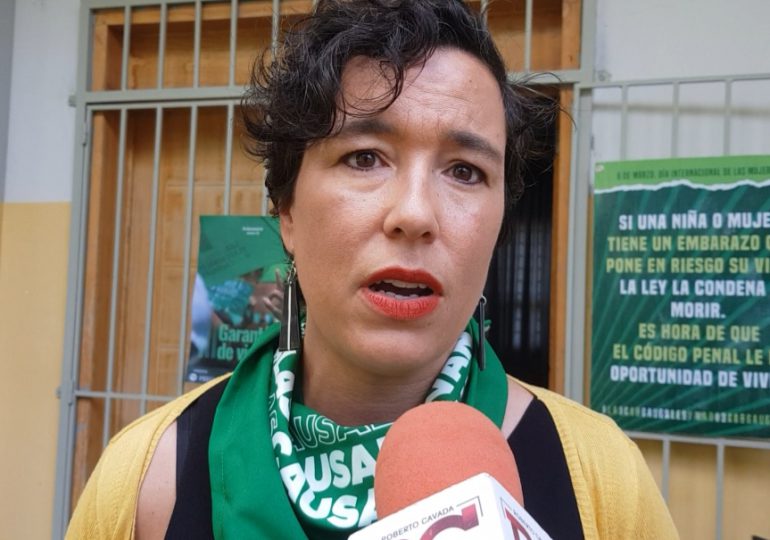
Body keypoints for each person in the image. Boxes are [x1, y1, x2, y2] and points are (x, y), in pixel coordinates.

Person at [66, 1, 679, 539]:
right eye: (364, 157)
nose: (415, 214)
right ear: (286, 209)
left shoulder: (599, 479)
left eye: (465, 171)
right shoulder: (147, 478)